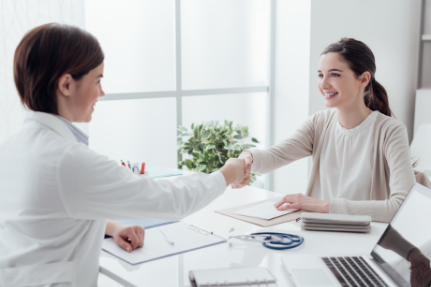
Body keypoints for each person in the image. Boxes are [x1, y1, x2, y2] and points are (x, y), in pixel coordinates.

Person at [0, 23, 248, 286]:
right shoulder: (67, 160)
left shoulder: (11, 148)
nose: (102, 92)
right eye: (97, 80)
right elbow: (172, 200)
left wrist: (109, 226)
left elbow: (44, 215)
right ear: (66, 85)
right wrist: (227, 172)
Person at [234, 37, 420, 223]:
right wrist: (247, 159)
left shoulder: (390, 131)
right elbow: (274, 157)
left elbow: (403, 206)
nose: (323, 85)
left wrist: (323, 206)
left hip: (365, 240)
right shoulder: (319, 123)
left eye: (335, 75)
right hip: (317, 231)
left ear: (363, 79)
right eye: (321, 75)